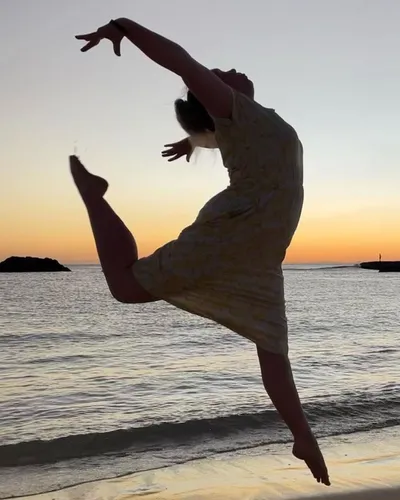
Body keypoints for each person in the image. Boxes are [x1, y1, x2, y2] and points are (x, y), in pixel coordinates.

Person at [73, 18, 330, 486]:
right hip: (236, 233)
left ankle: (302, 436)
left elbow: (221, 132)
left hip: (261, 250)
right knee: (124, 286)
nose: (228, 69)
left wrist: (193, 140)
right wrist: (124, 27)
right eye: (219, 72)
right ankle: (95, 196)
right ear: (215, 97)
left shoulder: (250, 119)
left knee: (273, 346)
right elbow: (180, 61)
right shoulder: (235, 112)